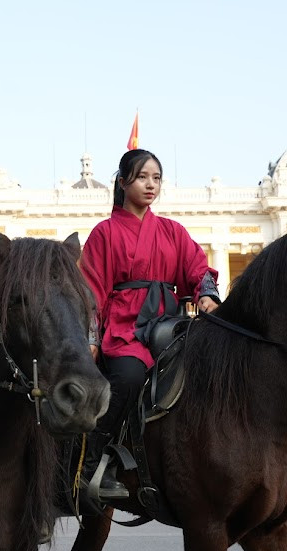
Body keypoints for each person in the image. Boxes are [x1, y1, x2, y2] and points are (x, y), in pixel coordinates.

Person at [78, 149, 220, 499]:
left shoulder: (172, 230)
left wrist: (206, 294)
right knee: (127, 377)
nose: (150, 184)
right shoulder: (105, 232)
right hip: (125, 329)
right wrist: (91, 338)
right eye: (143, 177)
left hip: (169, 326)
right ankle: (94, 461)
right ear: (123, 182)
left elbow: (197, 268)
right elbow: (92, 289)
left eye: (156, 178)